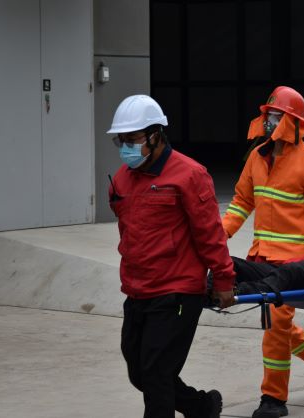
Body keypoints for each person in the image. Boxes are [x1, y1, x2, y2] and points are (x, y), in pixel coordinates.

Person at [106, 95, 235, 418]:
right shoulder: (122, 178)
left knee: (156, 373)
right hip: (137, 290)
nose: (126, 147)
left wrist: (223, 279)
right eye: (121, 141)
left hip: (177, 292)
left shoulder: (189, 175)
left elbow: (210, 233)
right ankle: (201, 407)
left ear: (155, 135)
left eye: (132, 139)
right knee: (139, 372)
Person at [222, 86, 304, 418]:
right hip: (261, 258)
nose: (271, 122)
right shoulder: (257, 157)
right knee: (277, 325)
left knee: (275, 328)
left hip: (294, 264)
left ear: (294, 123)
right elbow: (241, 202)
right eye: (269, 115)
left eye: (278, 117)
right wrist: (216, 237)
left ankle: (273, 399)